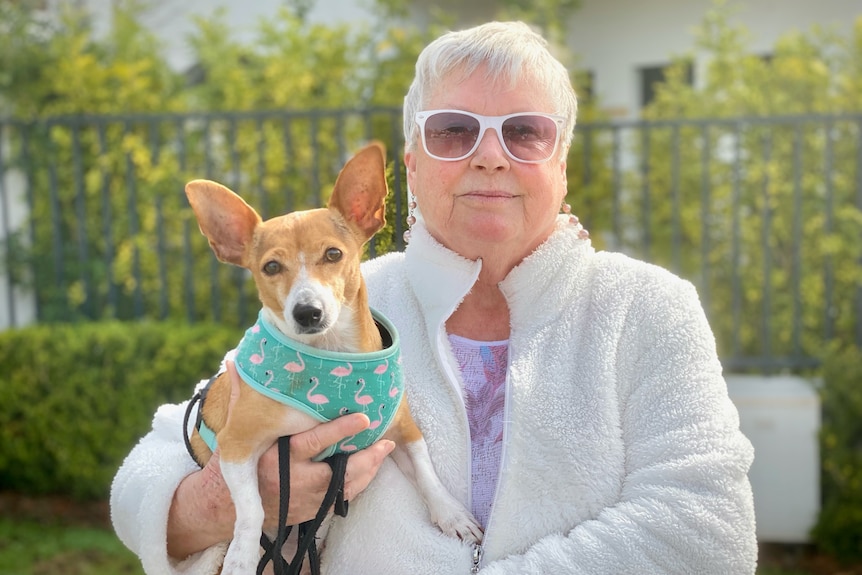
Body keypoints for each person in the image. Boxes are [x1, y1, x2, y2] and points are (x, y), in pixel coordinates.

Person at [111, 20, 757, 574]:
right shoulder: (339, 306)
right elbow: (154, 464)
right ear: (411, 164)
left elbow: (708, 530)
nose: (490, 156)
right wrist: (222, 502)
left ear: (562, 160)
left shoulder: (650, 310)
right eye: (453, 130)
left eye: (525, 131)